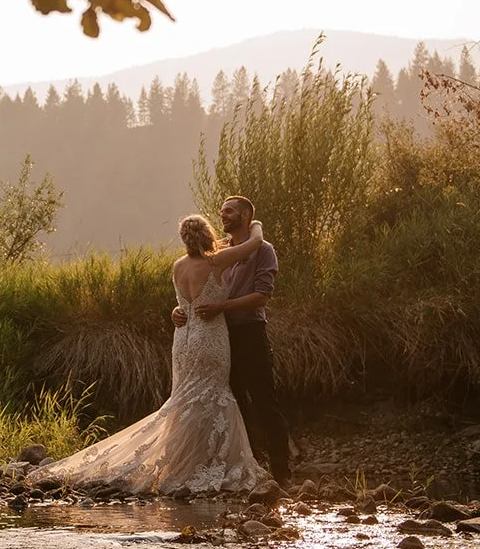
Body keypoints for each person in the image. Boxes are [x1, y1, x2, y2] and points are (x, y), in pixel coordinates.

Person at [27, 215, 268, 495]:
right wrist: (255, 222)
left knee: (184, 400)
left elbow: (183, 303)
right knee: (212, 396)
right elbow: (256, 242)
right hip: (209, 338)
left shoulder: (178, 266)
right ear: (206, 234)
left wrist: (175, 311)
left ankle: (184, 463)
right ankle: (203, 465)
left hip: (183, 340)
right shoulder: (216, 262)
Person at [173, 195, 290, 484]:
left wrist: (220, 308)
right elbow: (194, 293)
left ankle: (282, 472)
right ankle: (248, 466)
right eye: (221, 211)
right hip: (219, 338)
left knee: (264, 400)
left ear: (246, 216)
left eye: (229, 211)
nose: (222, 215)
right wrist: (178, 310)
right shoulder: (219, 252)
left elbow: (262, 296)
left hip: (249, 332)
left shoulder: (263, 250)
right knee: (234, 404)